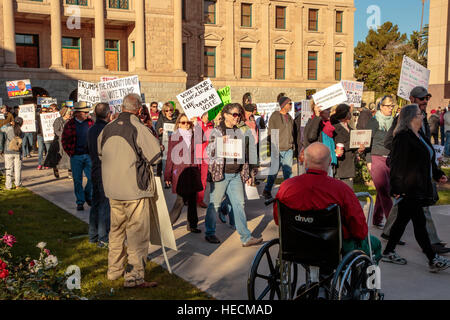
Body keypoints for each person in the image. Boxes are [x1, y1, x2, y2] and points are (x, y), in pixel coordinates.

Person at [273, 142, 381, 261]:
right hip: (332, 247)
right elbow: (359, 229)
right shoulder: (341, 190)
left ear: (305, 161)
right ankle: (364, 277)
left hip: (295, 243)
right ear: (329, 162)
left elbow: (279, 220)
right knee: (375, 244)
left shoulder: (286, 187)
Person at [98, 93, 161, 288]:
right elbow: (155, 157)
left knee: (116, 231)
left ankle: (114, 271)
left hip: (112, 188)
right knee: (136, 235)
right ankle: (134, 277)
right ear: (139, 109)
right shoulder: (138, 128)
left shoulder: (107, 128)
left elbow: (101, 154)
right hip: (134, 189)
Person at [382, 104, 449, 272]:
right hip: (409, 186)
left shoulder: (419, 135)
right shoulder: (402, 137)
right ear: (411, 117)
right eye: (419, 114)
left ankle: (388, 251)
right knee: (419, 223)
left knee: (402, 220)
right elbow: (397, 164)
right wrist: (397, 188)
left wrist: (437, 173)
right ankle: (432, 259)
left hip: (418, 185)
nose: (423, 116)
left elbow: (428, 159)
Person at [205, 103, 262, 246]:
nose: (238, 118)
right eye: (235, 115)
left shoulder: (240, 132)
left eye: (239, 115)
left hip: (236, 174)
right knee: (215, 204)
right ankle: (210, 233)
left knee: (239, 204)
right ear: (226, 115)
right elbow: (207, 152)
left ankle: (246, 237)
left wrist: (248, 174)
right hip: (221, 175)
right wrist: (218, 142)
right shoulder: (217, 131)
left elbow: (245, 155)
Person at [165, 114, 203, 233]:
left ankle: (192, 225)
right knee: (180, 200)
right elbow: (170, 157)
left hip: (192, 170)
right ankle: (168, 224)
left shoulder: (194, 135)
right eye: (183, 122)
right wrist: (167, 175)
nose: (186, 125)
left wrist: (196, 124)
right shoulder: (174, 137)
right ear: (178, 124)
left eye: (188, 123)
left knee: (192, 200)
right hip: (180, 172)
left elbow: (203, 138)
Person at [366, 95, 395, 229]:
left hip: (389, 159)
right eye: (388, 106)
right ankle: (392, 224)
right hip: (375, 157)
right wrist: (368, 160)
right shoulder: (374, 121)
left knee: (382, 190)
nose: (391, 108)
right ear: (381, 107)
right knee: (385, 191)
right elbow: (366, 141)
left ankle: (377, 219)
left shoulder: (394, 121)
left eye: (392, 106)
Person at [61, 102, 94, 211]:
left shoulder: (90, 123)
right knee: (77, 180)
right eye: (85, 112)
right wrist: (71, 152)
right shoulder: (70, 124)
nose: (87, 114)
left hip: (88, 155)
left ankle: (88, 195)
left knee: (92, 178)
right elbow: (64, 140)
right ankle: (80, 201)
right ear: (78, 113)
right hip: (76, 156)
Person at [87, 103, 111, 248]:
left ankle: (93, 235)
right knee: (103, 204)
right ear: (108, 114)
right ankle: (103, 237)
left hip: (95, 168)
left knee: (96, 203)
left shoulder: (91, 130)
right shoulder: (106, 130)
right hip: (104, 169)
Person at [262, 96, 294, 199]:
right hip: (278, 149)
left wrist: (293, 145)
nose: (291, 105)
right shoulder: (275, 116)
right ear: (284, 105)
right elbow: (271, 132)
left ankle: (288, 192)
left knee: (288, 172)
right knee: (274, 171)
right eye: (290, 103)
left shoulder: (290, 118)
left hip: (288, 148)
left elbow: (293, 132)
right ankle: (267, 190)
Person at [331, 104, 365, 189]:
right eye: (350, 112)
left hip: (349, 165)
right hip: (341, 166)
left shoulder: (351, 129)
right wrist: (353, 143)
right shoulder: (335, 129)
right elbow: (337, 145)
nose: (351, 114)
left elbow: (354, 149)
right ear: (345, 114)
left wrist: (359, 150)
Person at [302, 103, 336, 175]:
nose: (329, 111)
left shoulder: (328, 124)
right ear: (320, 111)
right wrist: (317, 116)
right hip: (318, 164)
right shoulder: (313, 122)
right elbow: (311, 137)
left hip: (328, 161)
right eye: (327, 109)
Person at [44, 106, 72, 178]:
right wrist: (64, 134)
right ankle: (55, 168)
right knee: (57, 158)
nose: (70, 114)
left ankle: (70, 172)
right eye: (69, 113)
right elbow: (56, 131)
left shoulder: (71, 121)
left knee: (69, 157)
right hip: (59, 142)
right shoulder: (58, 120)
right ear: (64, 113)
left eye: (70, 112)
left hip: (69, 142)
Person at [155, 102, 178, 183]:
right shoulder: (161, 119)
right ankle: (167, 179)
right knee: (165, 161)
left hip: (175, 144)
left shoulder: (176, 119)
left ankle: (173, 177)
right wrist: (159, 131)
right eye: (167, 111)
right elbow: (157, 131)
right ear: (164, 112)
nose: (169, 112)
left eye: (171, 110)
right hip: (165, 145)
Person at [1, 117, 24, 189]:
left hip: (8, 151)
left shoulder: (8, 129)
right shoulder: (21, 132)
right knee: (18, 169)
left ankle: (8, 185)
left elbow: (1, 128)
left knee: (8, 169)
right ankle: (18, 184)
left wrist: (8, 124)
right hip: (17, 152)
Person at [196, 112, 213, 208]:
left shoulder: (211, 125)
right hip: (195, 154)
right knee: (194, 177)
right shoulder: (196, 123)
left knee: (203, 179)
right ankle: (191, 197)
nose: (209, 118)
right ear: (202, 115)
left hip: (206, 155)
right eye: (207, 115)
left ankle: (200, 199)